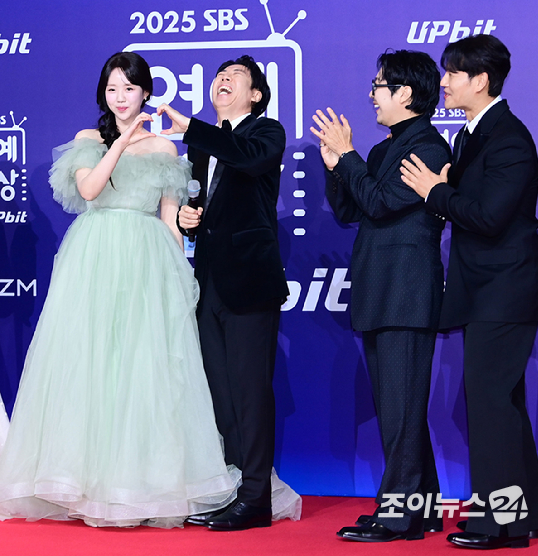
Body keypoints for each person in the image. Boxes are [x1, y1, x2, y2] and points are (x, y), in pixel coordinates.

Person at [0, 52, 241, 528]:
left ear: (145, 92)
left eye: (129, 89)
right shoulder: (88, 140)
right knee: (90, 363)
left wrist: (180, 275)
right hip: (94, 257)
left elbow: (170, 219)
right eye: (112, 89)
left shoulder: (165, 149)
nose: (120, 98)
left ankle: (138, 485)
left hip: (147, 260)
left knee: (142, 368)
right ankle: (79, 483)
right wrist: (122, 141)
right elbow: (89, 190)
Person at [401, 34, 538, 550]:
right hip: (486, 291)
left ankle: (502, 524)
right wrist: (445, 191)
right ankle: (520, 515)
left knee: (491, 404)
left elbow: (488, 217)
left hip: (505, 291)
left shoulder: (508, 138)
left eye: (452, 73)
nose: (443, 82)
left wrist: (436, 192)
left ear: (481, 80)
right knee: (500, 404)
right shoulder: (473, 135)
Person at [310, 50, 452, 542]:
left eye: (378, 85)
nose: (371, 94)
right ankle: (423, 508)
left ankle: (397, 514)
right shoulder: (383, 149)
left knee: (401, 410)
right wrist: (336, 166)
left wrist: (349, 156)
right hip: (381, 290)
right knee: (399, 410)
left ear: (404, 93)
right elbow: (351, 210)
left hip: (406, 294)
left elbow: (382, 202)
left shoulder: (428, 147)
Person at [156, 55, 300, 531]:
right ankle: (235, 488)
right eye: (220, 75)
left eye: (235, 76)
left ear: (255, 94)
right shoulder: (203, 145)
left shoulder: (267, 132)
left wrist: (192, 128)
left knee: (250, 392)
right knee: (221, 395)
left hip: (251, 285)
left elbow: (248, 158)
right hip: (210, 284)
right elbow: (200, 203)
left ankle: (257, 497)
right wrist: (187, 219)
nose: (223, 79)